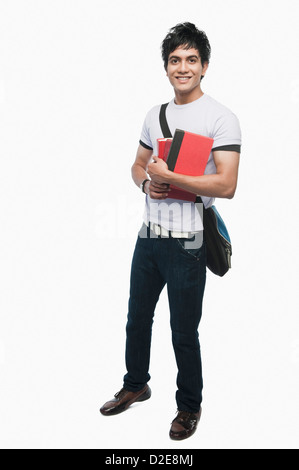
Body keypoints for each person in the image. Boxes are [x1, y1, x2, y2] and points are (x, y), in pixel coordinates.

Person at [100, 22, 241, 441]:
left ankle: (189, 407)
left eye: (191, 60)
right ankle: (135, 384)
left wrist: (174, 176)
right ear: (166, 67)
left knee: (183, 330)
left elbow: (228, 185)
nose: (183, 68)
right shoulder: (154, 114)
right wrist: (148, 182)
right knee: (136, 317)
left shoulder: (221, 117)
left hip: (190, 241)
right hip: (150, 235)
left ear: (205, 66)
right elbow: (137, 164)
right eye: (175, 60)